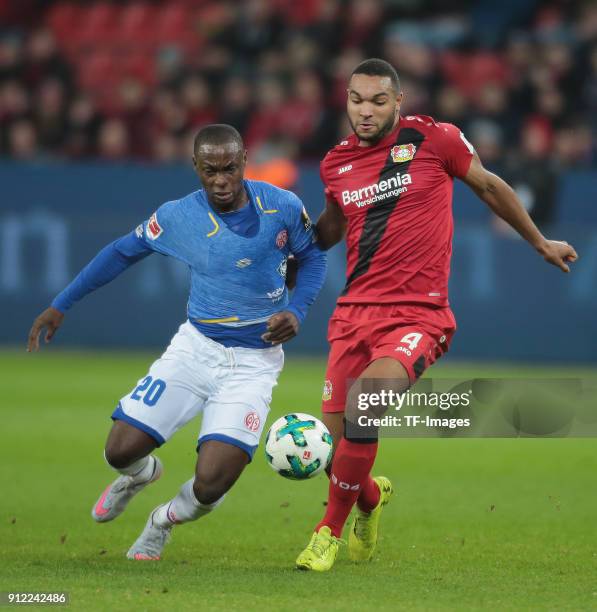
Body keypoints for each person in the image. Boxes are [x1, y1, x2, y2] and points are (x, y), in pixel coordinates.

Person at [295, 58, 578, 571]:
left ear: (397, 102)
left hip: (417, 315)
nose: (365, 110)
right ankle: (371, 501)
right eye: (357, 99)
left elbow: (490, 185)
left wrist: (539, 242)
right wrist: (296, 248)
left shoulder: (434, 139)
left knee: (366, 407)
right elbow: (333, 226)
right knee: (338, 453)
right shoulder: (334, 163)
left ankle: (325, 534)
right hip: (353, 314)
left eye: (378, 100)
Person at [27, 124, 326, 561]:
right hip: (195, 349)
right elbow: (121, 251)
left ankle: (162, 521)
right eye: (210, 171)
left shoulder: (282, 205)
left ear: (244, 160)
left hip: (254, 361)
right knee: (118, 451)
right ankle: (141, 475)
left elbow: (314, 258)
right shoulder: (176, 217)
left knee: (212, 483)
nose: (220, 180)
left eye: (228, 168)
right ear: (195, 167)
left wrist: (296, 311)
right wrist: (62, 304)